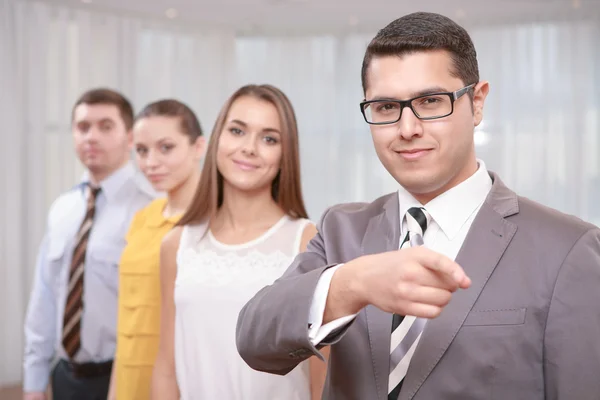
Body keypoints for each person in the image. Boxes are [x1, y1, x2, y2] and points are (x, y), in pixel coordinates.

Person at [236, 12, 600, 400]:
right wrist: (352, 283)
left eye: (430, 101)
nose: (407, 128)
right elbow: (255, 339)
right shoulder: (342, 228)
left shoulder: (569, 249)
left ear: (477, 103)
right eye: (386, 107)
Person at [151, 84, 329, 400]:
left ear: (285, 154)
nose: (249, 148)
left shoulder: (308, 242)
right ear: (217, 138)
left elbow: (322, 376)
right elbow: (166, 366)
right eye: (237, 131)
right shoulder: (175, 245)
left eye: (269, 138)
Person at [23, 88, 155, 400]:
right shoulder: (63, 208)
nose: (91, 137)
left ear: (130, 137)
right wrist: (33, 381)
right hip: (66, 377)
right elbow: (44, 297)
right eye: (83, 127)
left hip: (124, 378)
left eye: (106, 126)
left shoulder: (151, 209)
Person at [107, 100, 205, 400]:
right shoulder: (143, 218)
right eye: (142, 150)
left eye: (166, 148)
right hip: (127, 377)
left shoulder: (213, 222)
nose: (150, 162)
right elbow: (127, 320)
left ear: (198, 147)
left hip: (179, 383)